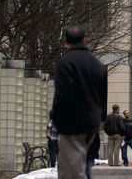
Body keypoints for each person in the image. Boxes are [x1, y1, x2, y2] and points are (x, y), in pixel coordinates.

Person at [51, 25, 108, 179]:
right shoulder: (97, 64)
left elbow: (62, 95)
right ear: (84, 40)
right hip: (92, 122)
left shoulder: (66, 62)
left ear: (65, 41)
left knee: (71, 170)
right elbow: (102, 97)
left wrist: (56, 117)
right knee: (83, 162)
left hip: (71, 122)